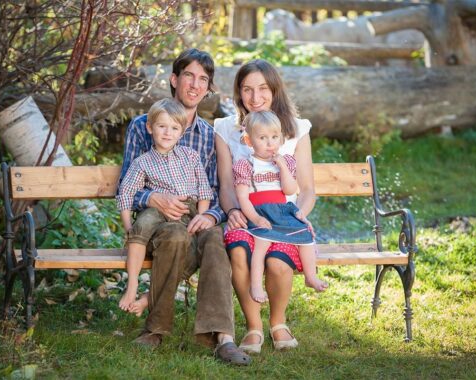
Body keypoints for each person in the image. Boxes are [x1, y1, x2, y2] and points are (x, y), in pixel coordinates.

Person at [118, 48, 250, 365]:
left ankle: (221, 336)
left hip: (198, 215)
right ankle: (156, 328)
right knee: (176, 237)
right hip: (159, 222)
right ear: (174, 80)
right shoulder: (142, 126)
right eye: (188, 76)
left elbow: (218, 190)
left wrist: (210, 215)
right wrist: (151, 198)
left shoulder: (208, 135)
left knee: (217, 240)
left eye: (202, 79)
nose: (194, 85)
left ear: (208, 88)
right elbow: (126, 184)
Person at [215, 59, 325, 353]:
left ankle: (278, 323)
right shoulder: (226, 128)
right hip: (246, 214)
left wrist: (298, 215)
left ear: (275, 90)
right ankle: (253, 327)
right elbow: (227, 186)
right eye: (247, 89)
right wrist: (234, 212)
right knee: (239, 248)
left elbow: (307, 189)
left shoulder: (297, 130)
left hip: (285, 215)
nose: (255, 97)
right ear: (239, 93)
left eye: (263, 88)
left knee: (277, 260)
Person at [116, 98, 213, 316]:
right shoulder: (142, 162)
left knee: (189, 252)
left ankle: (148, 298)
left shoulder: (191, 157)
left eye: (174, 128)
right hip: (158, 209)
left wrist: (201, 217)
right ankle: (131, 287)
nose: (168, 133)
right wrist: (128, 226)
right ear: (150, 128)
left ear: (182, 131)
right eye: (162, 126)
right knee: (142, 225)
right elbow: (126, 193)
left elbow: (205, 192)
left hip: (188, 211)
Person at [233, 111, 328, 304]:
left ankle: (310, 276)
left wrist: (283, 168)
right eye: (263, 138)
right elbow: (243, 198)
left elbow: (290, 189)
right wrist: (256, 218)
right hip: (260, 211)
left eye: (275, 137)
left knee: (305, 237)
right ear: (249, 141)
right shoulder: (246, 165)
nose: (270, 143)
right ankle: (256, 285)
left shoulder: (285, 161)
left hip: (282, 209)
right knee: (261, 244)